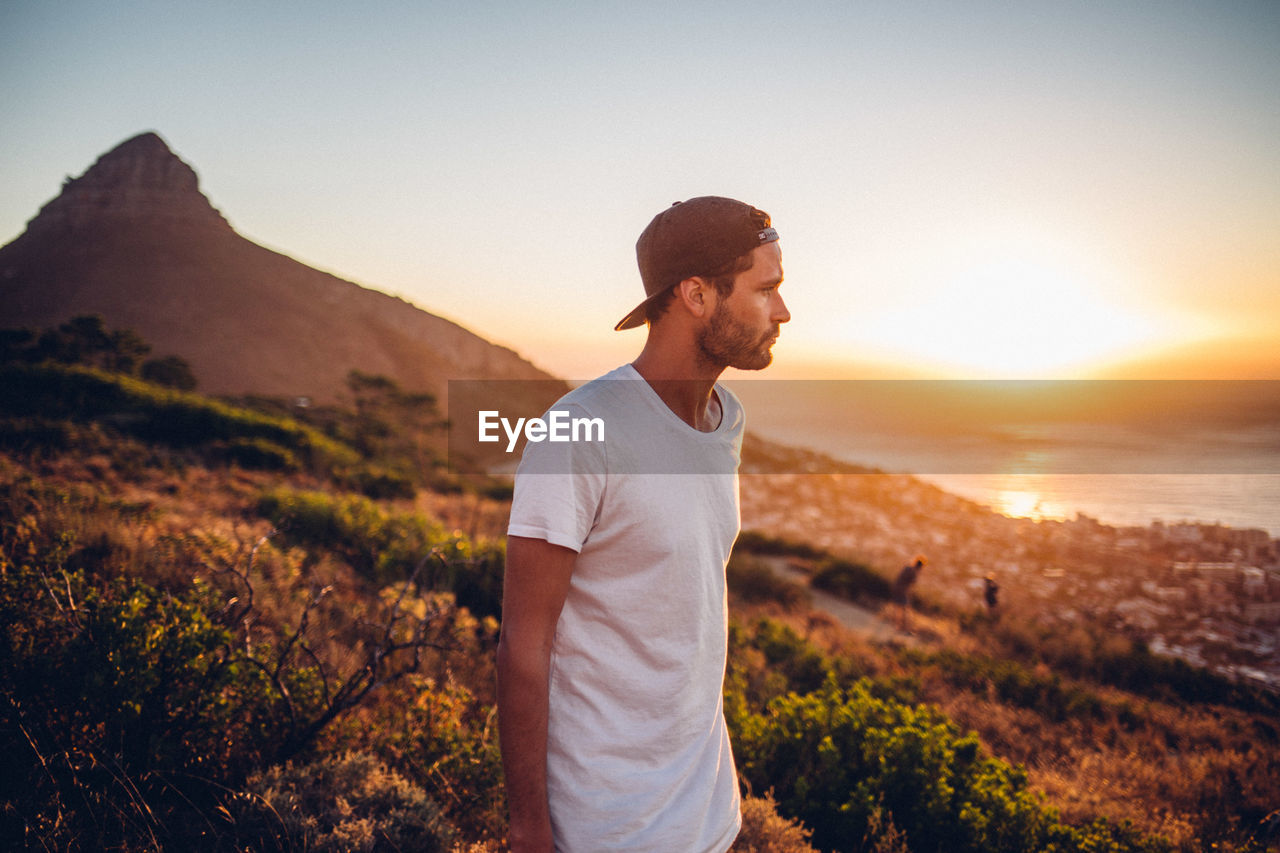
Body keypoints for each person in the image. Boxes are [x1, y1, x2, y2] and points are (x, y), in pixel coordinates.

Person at [497, 196, 790, 852]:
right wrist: (529, 828)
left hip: (709, 816)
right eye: (765, 288)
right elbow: (524, 639)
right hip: (607, 828)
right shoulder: (581, 431)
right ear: (696, 295)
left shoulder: (726, 420)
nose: (783, 310)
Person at [892, 555, 926, 633]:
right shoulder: (913, 572)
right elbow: (912, 582)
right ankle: (905, 628)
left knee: (898, 608)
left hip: (897, 588)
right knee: (905, 610)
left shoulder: (907, 568)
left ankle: (899, 626)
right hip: (902, 591)